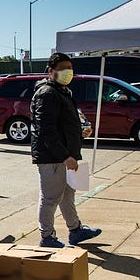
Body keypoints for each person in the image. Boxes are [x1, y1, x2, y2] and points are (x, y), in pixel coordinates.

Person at [30, 52, 102, 248]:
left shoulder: (63, 92)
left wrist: (79, 134)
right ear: (51, 71)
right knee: (51, 198)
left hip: (67, 155)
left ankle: (75, 229)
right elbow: (46, 131)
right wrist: (64, 156)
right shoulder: (47, 94)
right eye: (63, 69)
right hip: (54, 157)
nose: (68, 72)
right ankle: (47, 237)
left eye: (70, 68)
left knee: (68, 195)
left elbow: (66, 123)